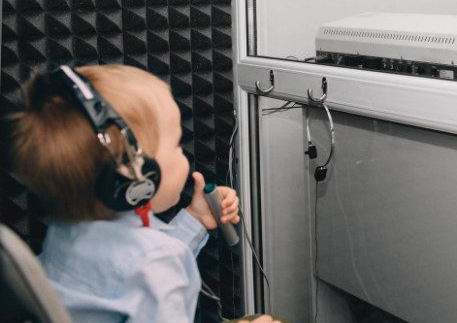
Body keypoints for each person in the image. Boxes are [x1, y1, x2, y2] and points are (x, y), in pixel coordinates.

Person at [3, 64, 278, 323]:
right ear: (138, 173)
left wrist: (194, 219)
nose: (183, 155)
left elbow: (134, 264)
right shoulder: (157, 261)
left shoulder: (66, 231)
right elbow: (147, 263)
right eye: (177, 145)